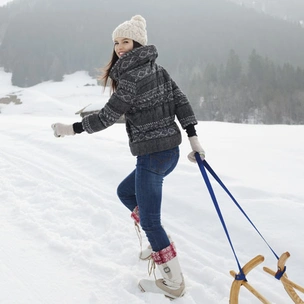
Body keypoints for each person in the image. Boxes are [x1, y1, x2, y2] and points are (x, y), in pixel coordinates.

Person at [51, 15, 205, 299]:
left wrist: (72, 129)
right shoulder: (157, 70)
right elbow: (181, 102)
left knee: (149, 220)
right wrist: (192, 140)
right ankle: (161, 242)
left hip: (152, 155)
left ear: (138, 43)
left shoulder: (132, 77)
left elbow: (109, 115)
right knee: (125, 192)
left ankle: (173, 282)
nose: (120, 47)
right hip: (169, 152)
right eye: (116, 42)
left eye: (125, 41)